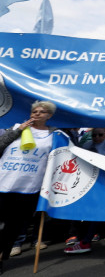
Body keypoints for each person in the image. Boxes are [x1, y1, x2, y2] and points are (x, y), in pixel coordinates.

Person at [0, 101, 56, 275]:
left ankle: (1, 258)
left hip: (28, 188)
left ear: (50, 115)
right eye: (34, 111)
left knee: (12, 228)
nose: (37, 114)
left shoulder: (55, 135)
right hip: (3, 184)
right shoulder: (18, 127)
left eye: (42, 111)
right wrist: (18, 130)